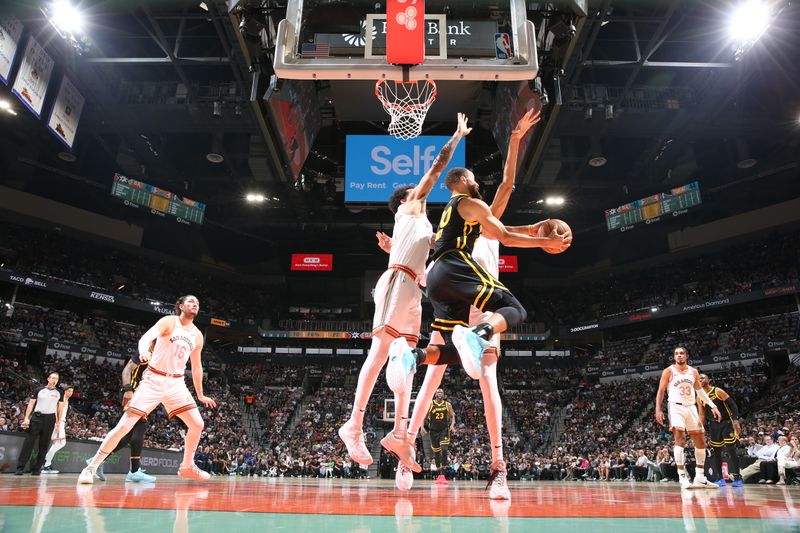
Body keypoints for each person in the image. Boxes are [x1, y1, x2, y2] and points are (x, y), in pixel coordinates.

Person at [383, 109, 559, 500]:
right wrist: (396, 246)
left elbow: (509, 184)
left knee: (473, 380)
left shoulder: (487, 219)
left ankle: (497, 466)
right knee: (438, 382)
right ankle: (408, 447)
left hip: (474, 304)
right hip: (473, 298)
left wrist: (514, 141)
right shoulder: (462, 223)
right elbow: (424, 249)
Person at [337, 114, 471, 481]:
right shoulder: (412, 205)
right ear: (407, 198)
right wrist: (457, 136)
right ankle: (353, 423)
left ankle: (400, 434)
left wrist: (396, 248)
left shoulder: (421, 225)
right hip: (398, 283)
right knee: (380, 352)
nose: (426, 190)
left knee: (407, 361)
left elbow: (421, 265)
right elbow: (437, 166)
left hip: (411, 288)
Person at [79, 295, 216, 484]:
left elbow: (197, 366)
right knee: (124, 426)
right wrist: (143, 349)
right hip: (154, 379)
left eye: (198, 303)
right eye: (191, 302)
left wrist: (200, 394)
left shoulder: (198, 335)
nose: (195, 305)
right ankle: (91, 467)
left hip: (176, 383)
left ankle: (186, 466)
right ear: (181, 306)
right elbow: (147, 337)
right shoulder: (169, 321)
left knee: (197, 424)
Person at [654, 346, 721, 489]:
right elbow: (660, 391)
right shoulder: (669, 371)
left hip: (691, 407)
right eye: (677, 353)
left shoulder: (693, 371)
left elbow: (699, 391)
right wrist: (658, 409)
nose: (679, 356)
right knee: (680, 439)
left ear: (687, 356)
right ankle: (682, 477)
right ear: (674, 357)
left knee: (701, 441)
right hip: (676, 407)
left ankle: (700, 477)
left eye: (682, 353)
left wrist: (712, 405)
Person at [88, 349, 158, 483]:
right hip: (132, 394)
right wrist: (127, 389)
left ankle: (97, 459)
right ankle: (134, 471)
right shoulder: (145, 353)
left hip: (144, 396)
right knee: (140, 428)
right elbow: (126, 370)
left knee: (127, 436)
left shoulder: (161, 358)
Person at [698, 373, 743, 487]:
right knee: (716, 452)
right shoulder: (699, 397)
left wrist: (735, 420)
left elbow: (733, 405)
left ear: (709, 380)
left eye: (703, 377)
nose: (700, 379)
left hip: (726, 423)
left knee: (730, 449)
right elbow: (702, 415)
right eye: (698, 378)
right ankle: (720, 478)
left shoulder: (717, 391)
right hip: (713, 426)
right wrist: (701, 429)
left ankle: (738, 477)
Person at [16, 372, 62, 475]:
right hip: (37, 417)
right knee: (29, 443)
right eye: (53, 378)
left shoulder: (59, 393)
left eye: (57, 379)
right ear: (48, 379)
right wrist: (27, 418)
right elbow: (31, 404)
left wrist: (58, 422)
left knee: (44, 445)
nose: (55, 380)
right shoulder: (39, 390)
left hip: (50, 419)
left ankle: (37, 469)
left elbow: (60, 409)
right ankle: (20, 468)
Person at [422, 388, 456, 484]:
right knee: (436, 453)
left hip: (444, 430)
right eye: (438, 392)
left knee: (444, 449)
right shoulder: (430, 404)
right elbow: (423, 416)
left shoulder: (447, 404)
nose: (440, 393)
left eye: (441, 392)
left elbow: (453, 415)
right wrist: (422, 427)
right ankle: (439, 476)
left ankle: (443, 475)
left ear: (444, 395)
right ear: (435, 394)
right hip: (433, 431)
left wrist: (452, 425)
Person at [42, 385, 74, 474]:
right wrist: (57, 423)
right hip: (58, 423)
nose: (70, 393)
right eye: (69, 391)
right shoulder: (61, 399)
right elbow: (56, 411)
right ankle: (46, 463)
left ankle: (46, 462)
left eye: (72, 391)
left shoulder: (67, 400)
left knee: (58, 443)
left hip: (61, 422)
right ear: (65, 391)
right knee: (61, 443)